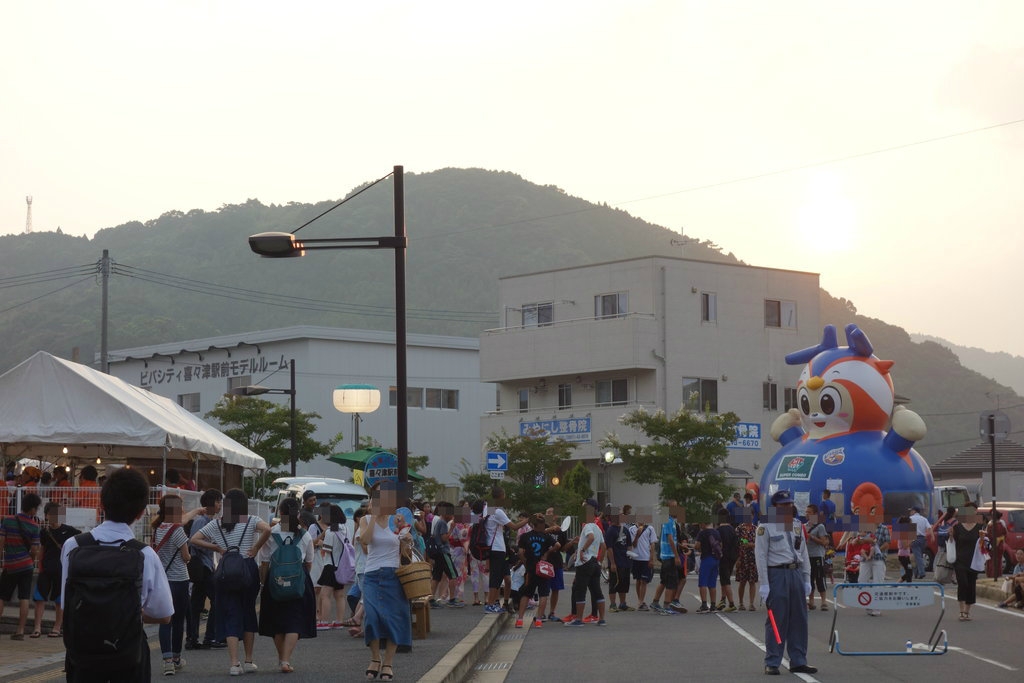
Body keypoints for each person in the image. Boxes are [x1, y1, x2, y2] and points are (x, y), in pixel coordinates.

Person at [61, 467, 173, 682]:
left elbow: (68, 604)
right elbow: (164, 615)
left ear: (102, 504)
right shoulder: (144, 554)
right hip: (128, 654)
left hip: (83, 653)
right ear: (141, 513)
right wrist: (129, 611)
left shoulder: (73, 545)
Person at [190, 488, 271, 676]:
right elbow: (268, 529)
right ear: (244, 504)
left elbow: (194, 539)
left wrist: (218, 548)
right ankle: (249, 661)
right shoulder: (249, 519)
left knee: (230, 614)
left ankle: (234, 664)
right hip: (247, 569)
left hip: (226, 571)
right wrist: (256, 548)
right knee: (248, 612)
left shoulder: (218, 523)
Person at [754, 490, 816, 676]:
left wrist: (806, 578)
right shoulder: (765, 527)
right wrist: (764, 583)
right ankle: (772, 661)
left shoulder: (796, 525)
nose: (788, 508)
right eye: (783, 505)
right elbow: (761, 556)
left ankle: (798, 660)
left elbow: (803, 552)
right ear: (775, 507)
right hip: (777, 574)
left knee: (799, 619)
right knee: (776, 619)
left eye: (789, 504)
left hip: (795, 572)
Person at [357, 483, 413, 682]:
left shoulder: (397, 521)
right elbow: (365, 540)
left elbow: (406, 551)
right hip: (371, 574)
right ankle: (375, 658)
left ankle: (388, 662)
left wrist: (405, 536)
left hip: (393, 574)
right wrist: (373, 517)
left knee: (393, 619)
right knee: (371, 617)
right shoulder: (365, 519)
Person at [258, 497, 317, 673]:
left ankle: (281, 658)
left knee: (277, 623)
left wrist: (263, 583)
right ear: (298, 513)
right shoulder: (304, 535)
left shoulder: (271, 533)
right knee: (295, 622)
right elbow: (308, 562)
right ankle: (286, 660)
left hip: (274, 582)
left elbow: (264, 562)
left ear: (280, 513)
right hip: (299, 583)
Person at [152, 493, 205, 675]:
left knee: (165, 621)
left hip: (163, 581)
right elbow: (185, 556)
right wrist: (189, 557)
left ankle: (166, 661)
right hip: (179, 581)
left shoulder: (157, 528)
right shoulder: (177, 530)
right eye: (181, 507)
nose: (183, 510)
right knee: (178, 621)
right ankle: (176, 657)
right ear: (175, 509)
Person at [33, 502, 78, 638]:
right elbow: (42, 550)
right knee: (39, 598)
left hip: (62, 571)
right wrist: (39, 566)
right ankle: (37, 627)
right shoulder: (44, 532)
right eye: (51, 514)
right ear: (46, 515)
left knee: (59, 600)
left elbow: (81, 542)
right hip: (45, 570)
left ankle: (57, 627)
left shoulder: (70, 531)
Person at [0, 491, 41, 640]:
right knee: (24, 597)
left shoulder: (7, 521)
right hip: (27, 566)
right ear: (32, 509)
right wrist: (29, 559)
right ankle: (20, 631)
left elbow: (1, 543)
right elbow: (35, 550)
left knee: (2, 596)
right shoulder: (34, 526)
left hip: (10, 565)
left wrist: (2, 560)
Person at [185, 488, 223, 651]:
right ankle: (210, 637)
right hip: (202, 566)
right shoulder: (201, 521)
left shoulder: (211, 521)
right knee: (217, 599)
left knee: (197, 603)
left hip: (205, 566)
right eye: (218, 501)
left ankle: (192, 639)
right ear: (211, 503)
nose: (220, 505)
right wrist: (215, 547)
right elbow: (193, 542)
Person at [484, 487, 529, 614]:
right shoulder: (497, 511)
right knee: (496, 577)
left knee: (501, 576)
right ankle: (490, 604)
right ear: (501, 496)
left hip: (496, 547)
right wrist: (528, 520)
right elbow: (514, 527)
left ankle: (493, 604)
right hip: (497, 547)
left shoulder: (488, 509)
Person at [515, 513, 560, 628]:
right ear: (540, 525)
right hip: (543, 568)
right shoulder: (546, 536)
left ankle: (520, 619)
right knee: (543, 594)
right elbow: (558, 545)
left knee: (526, 593)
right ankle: (539, 620)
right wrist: (547, 553)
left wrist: (526, 563)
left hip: (531, 569)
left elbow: (520, 552)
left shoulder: (525, 536)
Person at [565, 505, 606, 626]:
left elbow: (591, 538)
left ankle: (578, 619)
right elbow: (603, 547)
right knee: (597, 591)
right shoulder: (598, 528)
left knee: (580, 590)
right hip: (595, 562)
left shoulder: (587, 526)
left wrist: (582, 550)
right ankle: (601, 619)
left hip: (585, 563)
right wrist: (599, 560)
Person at [951, 502, 983, 621]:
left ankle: (967, 611)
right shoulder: (957, 527)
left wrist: (984, 540)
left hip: (974, 561)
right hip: (960, 560)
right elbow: (951, 542)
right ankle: (961, 610)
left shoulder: (980, 527)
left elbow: (984, 544)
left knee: (971, 585)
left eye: (974, 510)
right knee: (962, 583)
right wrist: (949, 536)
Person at [428, 502, 458, 607]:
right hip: (443, 552)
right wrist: (451, 529)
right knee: (453, 575)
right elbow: (444, 538)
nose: (452, 515)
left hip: (438, 553)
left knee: (436, 576)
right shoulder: (443, 523)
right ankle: (453, 599)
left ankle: (431, 599)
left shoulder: (439, 522)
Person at [604, 509, 632, 611]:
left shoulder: (625, 529)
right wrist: (612, 563)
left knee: (624, 582)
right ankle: (612, 604)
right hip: (616, 561)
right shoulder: (611, 530)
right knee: (614, 582)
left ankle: (623, 603)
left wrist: (630, 556)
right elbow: (609, 548)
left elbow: (629, 545)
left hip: (625, 561)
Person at [543, 506, 567, 620]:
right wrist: (549, 530)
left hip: (556, 562)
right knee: (543, 588)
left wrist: (573, 543)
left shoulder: (561, 530)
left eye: (551, 513)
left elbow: (563, 548)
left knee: (556, 588)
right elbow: (537, 535)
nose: (548, 514)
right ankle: (541, 612)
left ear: (555, 516)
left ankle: (552, 612)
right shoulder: (541, 527)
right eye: (547, 512)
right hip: (544, 562)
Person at [629, 516, 657, 611]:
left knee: (644, 581)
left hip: (646, 558)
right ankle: (640, 601)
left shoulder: (650, 529)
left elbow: (652, 544)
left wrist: (651, 558)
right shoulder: (632, 529)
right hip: (636, 558)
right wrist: (637, 535)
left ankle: (641, 601)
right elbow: (633, 544)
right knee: (638, 580)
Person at [804, 504, 829, 610]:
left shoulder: (820, 526)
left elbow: (824, 542)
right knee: (809, 579)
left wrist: (812, 537)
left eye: (809, 512)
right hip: (807, 556)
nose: (807, 514)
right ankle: (811, 601)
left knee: (820, 578)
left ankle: (824, 602)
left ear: (815, 514)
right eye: (806, 512)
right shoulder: (804, 526)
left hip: (818, 556)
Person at [695, 520, 721, 614]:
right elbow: (720, 545)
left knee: (703, 583)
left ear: (703, 523)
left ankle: (704, 605)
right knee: (712, 584)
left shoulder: (702, 533)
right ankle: (713, 605)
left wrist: (698, 548)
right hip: (716, 559)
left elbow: (697, 546)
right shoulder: (716, 532)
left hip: (706, 558)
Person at [735, 510, 759, 610]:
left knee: (752, 581)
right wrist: (747, 543)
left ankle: (751, 603)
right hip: (742, 556)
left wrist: (752, 544)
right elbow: (738, 540)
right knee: (742, 581)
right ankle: (740, 603)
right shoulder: (739, 528)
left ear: (753, 516)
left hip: (753, 558)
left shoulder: (756, 529)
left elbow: (760, 542)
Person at [716, 508, 739, 612]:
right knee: (725, 578)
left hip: (723, 557)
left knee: (725, 580)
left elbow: (716, 545)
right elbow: (738, 542)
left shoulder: (718, 531)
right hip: (732, 557)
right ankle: (723, 599)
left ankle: (732, 604)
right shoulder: (732, 530)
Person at [908, 505, 930, 579]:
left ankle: (921, 573)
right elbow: (929, 528)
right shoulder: (924, 519)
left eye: (911, 511)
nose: (910, 512)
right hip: (922, 539)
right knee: (918, 556)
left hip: (914, 539)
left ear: (914, 511)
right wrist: (932, 536)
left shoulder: (910, 518)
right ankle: (916, 573)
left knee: (917, 557)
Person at [986, 510, 1008, 579]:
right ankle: (998, 575)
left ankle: (992, 576)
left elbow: (988, 535)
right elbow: (1005, 534)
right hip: (1000, 546)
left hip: (992, 545)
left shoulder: (991, 525)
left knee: (991, 562)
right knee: (998, 562)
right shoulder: (1002, 524)